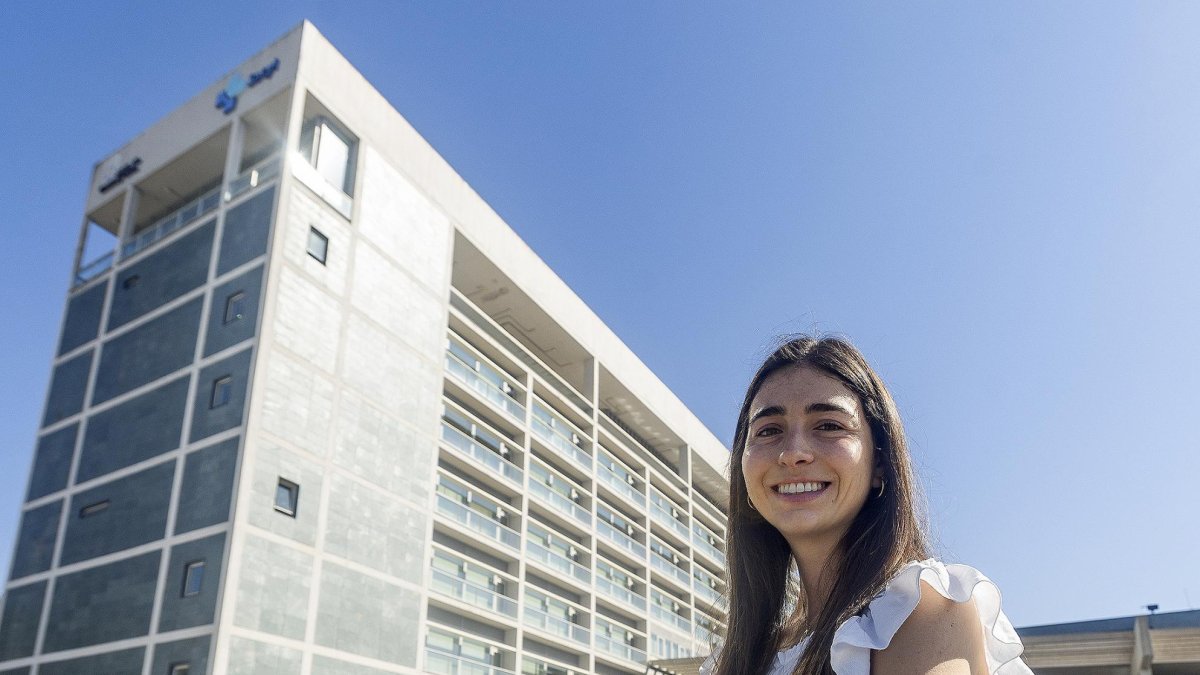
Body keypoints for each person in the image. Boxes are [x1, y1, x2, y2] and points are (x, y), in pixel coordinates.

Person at [703, 336, 1031, 675]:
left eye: (829, 426)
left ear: (879, 464)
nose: (793, 453)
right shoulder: (740, 657)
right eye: (768, 430)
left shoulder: (919, 608)